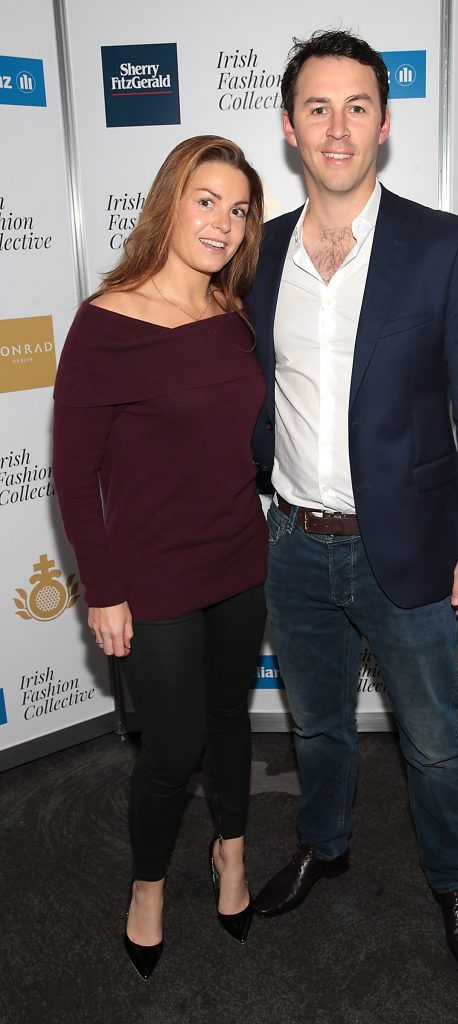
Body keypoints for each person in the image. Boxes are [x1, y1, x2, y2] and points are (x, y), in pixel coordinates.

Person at [247, 31, 458, 975]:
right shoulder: (261, 253)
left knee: (433, 742)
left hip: (403, 546)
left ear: (385, 123)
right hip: (290, 543)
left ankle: (453, 878)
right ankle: (325, 844)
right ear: (288, 126)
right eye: (316, 107)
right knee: (315, 725)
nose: (336, 127)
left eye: (355, 106)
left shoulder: (442, 246)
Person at [52, 136, 268, 980]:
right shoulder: (106, 321)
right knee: (172, 746)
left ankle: (232, 855)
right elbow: (74, 471)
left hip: (238, 559)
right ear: (170, 202)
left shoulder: (233, 314)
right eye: (206, 200)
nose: (222, 222)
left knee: (228, 723)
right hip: (154, 578)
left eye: (238, 209)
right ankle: (146, 886)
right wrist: (102, 590)